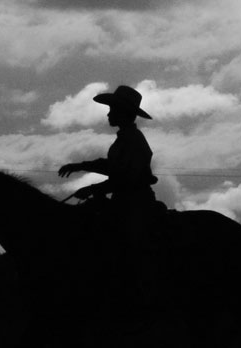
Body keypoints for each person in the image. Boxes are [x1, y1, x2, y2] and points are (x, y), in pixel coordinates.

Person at [56, 84, 160, 320]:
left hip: (135, 203)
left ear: (123, 112)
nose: (108, 114)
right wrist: (81, 166)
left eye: (112, 109)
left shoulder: (132, 140)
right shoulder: (128, 138)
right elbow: (114, 168)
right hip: (126, 200)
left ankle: (136, 296)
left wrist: (93, 188)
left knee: (126, 246)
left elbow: (125, 177)